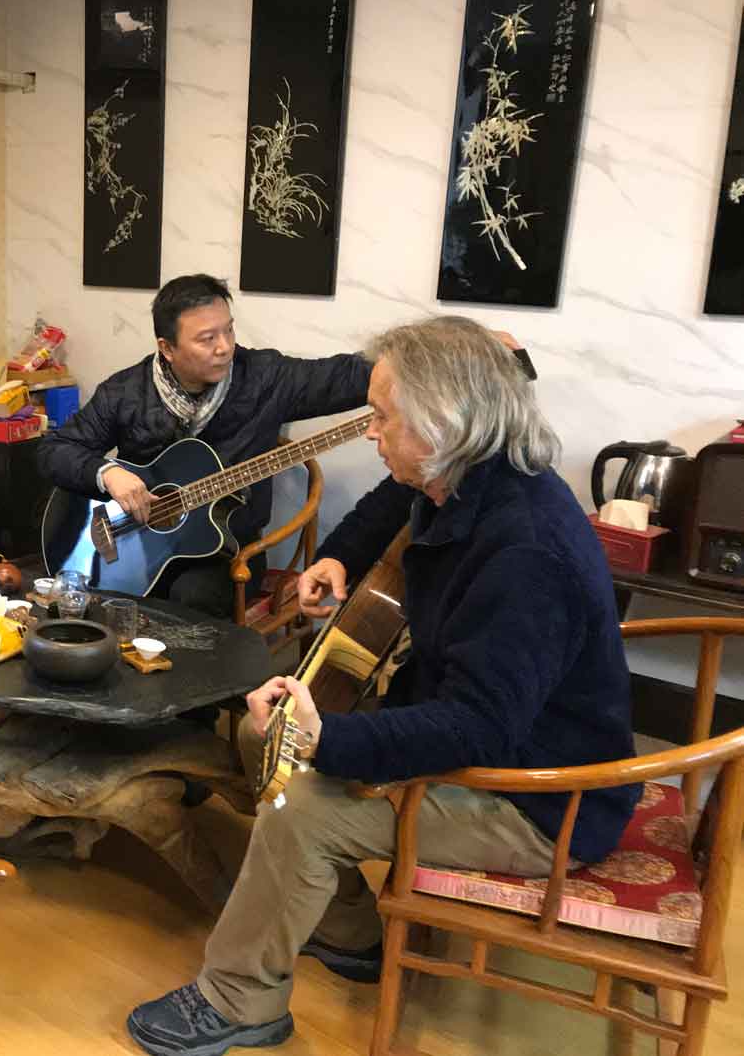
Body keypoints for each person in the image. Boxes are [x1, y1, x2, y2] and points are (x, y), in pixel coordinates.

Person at [125, 316, 639, 1055]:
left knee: (300, 803)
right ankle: (351, 933)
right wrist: (334, 557)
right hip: (480, 737)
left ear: (442, 424)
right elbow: (386, 507)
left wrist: (328, 735)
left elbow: (479, 729)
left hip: (540, 798)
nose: (370, 431)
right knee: (256, 734)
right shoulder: (468, 476)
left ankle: (241, 1003)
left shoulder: (526, 553)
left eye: (382, 416)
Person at [36, 274, 371, 617]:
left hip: (229, 554)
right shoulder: (124, 392)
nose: (225, 347)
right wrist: (107, 473)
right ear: (167, 348)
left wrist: (405, 369)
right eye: (207, 338)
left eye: (228, 330)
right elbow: (55, 451)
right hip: (134, 547)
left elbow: (341, 377)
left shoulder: (265, 378)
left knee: (189, 600)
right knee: (98, 606)